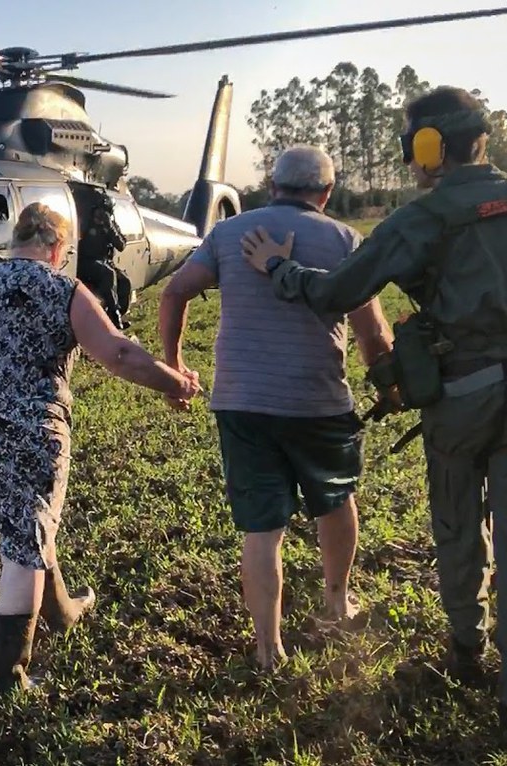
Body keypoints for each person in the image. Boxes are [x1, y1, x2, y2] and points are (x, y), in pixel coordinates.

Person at [241, 86, 507, 749]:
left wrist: (280, 268)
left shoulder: (421, 221)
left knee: (457, 524)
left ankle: (465, 649)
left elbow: (338, 292)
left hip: (460, 401)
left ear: (428, 148)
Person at [0, 202, 202, 693]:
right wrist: (175, 383)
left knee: (27, 524)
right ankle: (10, 677)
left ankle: (62, 611)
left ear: (15, 240)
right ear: (58, 248)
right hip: (31, 436)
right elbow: (118, 353)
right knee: (22, 547)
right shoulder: (64, 288)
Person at [157, 145, 395, 671]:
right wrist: (388, 384)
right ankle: (338, 602)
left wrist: (174, 365)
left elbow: (174, 292)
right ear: (327, 193)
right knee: (335, 500)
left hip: (242, 402)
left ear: (272, 185)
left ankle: (268, 648)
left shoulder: (227, 234)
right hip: (319, 400)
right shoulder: (344, 239)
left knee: (262, 528)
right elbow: (372, 331)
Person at [77, 189, 130, 329]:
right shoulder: (85, 224)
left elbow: (121, 245)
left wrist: (109, 227)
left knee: (124, 281)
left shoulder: (110, 226)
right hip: (86, 262)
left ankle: (120, 312)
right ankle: (113, 315)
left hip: (104, 261)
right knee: (108, 274)